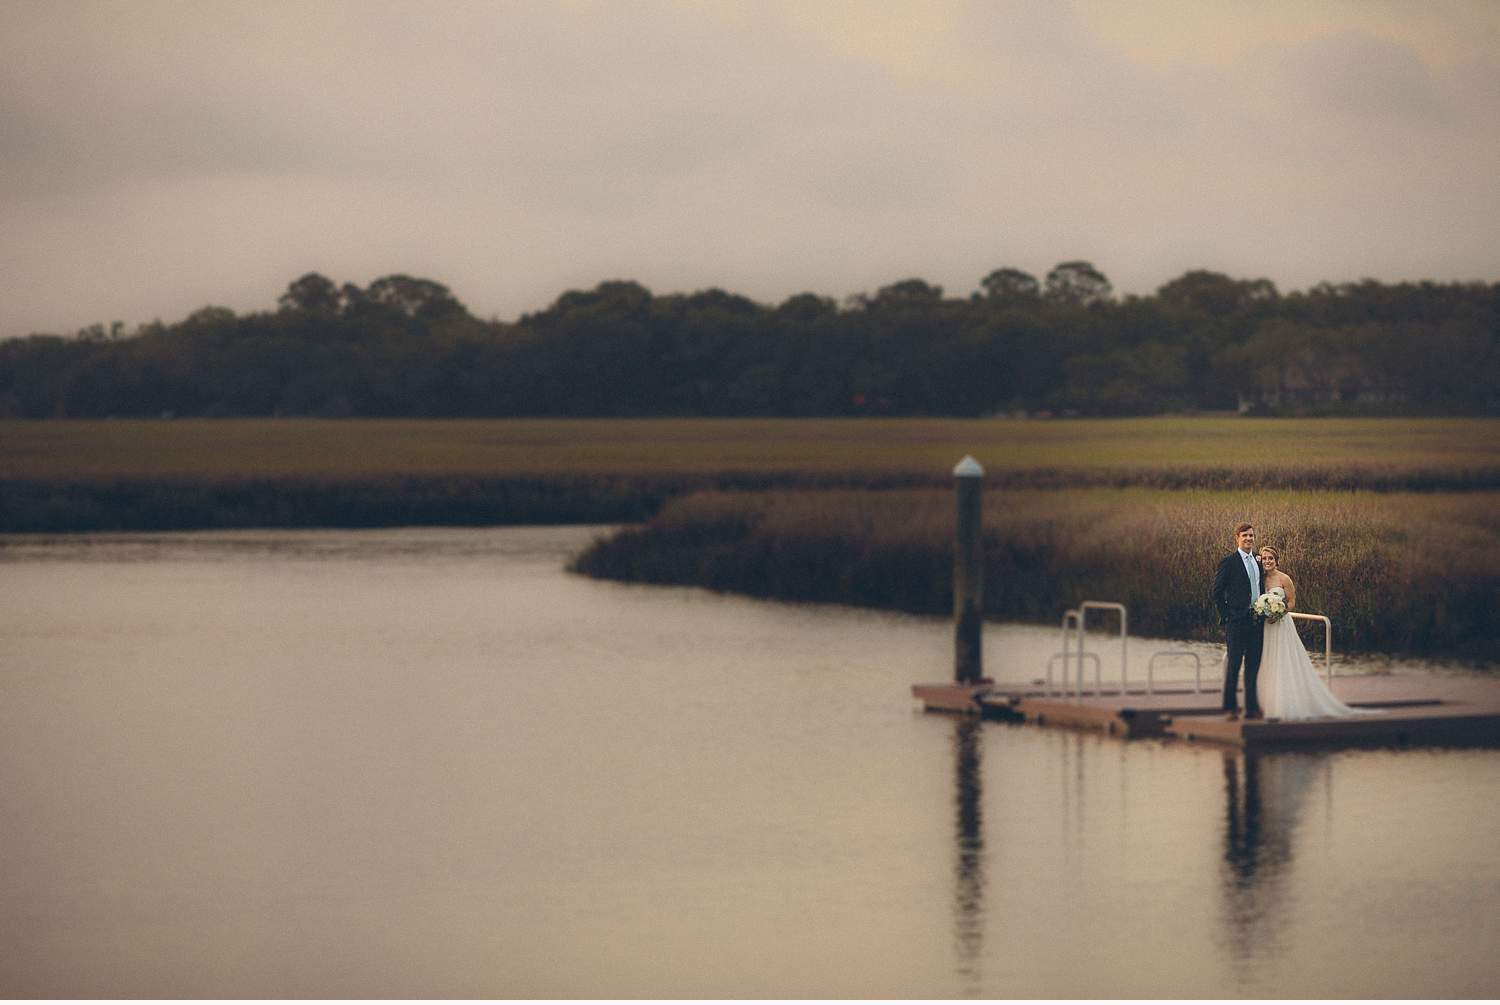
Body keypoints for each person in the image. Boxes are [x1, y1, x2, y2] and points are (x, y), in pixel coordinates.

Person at [1256, 546, 1367, 720]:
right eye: (1264, 558)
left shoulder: (1284, 579)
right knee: (1267, 662)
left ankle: (1285, 705)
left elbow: (1292, 602)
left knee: (1283, 661)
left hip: (1281, 624)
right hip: (1265, 626)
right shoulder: (1259, 579)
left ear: (1277, 561)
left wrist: (1280, 612)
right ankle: (1266, 704)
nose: (1267, 561)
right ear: (1260, 560)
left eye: (1271, 558)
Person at [1211, 523, 1264, 720]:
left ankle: (1251, 708)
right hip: (1236, 622)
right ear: (1237, 538)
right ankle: (1231, 708)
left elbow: (1260, 588)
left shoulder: (1258, 561)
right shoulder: (1229, 562)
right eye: (1245, 536)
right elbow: (1217, 593)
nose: (1249, 538)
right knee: (1234, 665)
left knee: (1253, 666)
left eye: (1251, 535)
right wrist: (1227, 616)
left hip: (1256, 622)